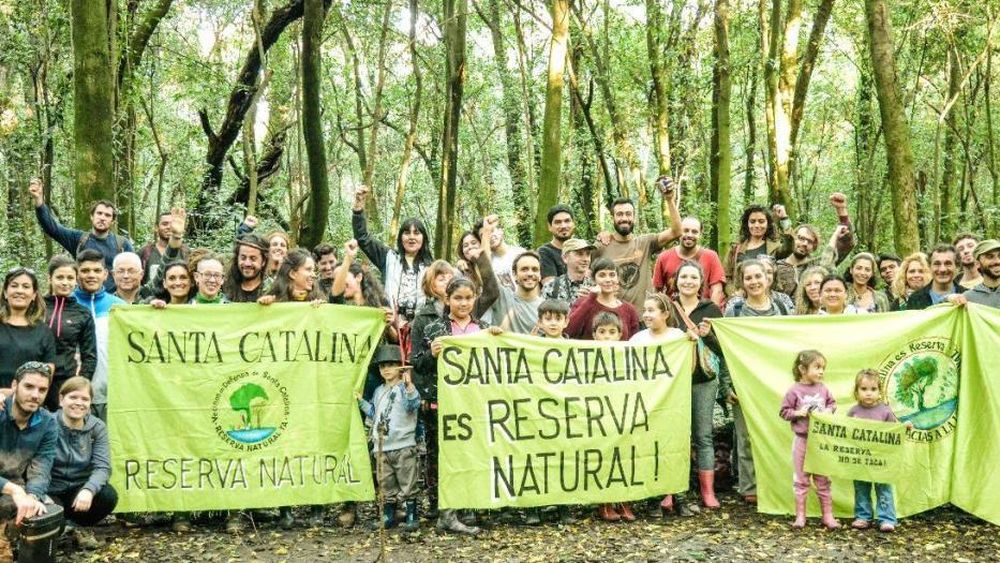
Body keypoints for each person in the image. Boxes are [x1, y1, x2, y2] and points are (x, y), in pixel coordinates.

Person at [415, 278, 503, 535]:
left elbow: (496, 365)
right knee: (442, 456)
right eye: (458, 298)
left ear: (475, 298)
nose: (463, 303)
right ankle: (445, 509)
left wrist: (498, 338)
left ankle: (470, 505)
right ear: (447, 300)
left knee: (473, 453)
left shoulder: (483, 328)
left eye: (468, 298)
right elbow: (417, 364)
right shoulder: (433, 328)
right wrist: (431, 354)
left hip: (475, 403)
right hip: (443, 403)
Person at [723, 259, 793, 505]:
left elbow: (793, 343)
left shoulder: (782, 307)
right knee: (746, 436)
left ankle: (778, 483)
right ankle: (750, 486)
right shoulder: (735, 310)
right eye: (748, 278)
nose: (754, 282)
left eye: (758, 276)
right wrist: (727, 385)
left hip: (778, 381)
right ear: (742, 282)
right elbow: (726, 349)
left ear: (767, 278)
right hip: (744, 382)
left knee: (780, 432)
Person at [669, 261, 731, 510]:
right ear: (676, 281)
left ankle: (708, 491)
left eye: (693, 277)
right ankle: (672, 489)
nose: (688, 281)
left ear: (701, 282)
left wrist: (709, 336)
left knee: (703, 435)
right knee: (674, 435)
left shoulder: (711, 309)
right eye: (683, 276)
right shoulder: (667, 308)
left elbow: (724, 349)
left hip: (703, 379)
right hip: (673, 381)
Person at [630, 293, 688, 519]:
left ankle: (679, 496)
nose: (646, 314)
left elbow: (688, 368)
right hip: (647, 404)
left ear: (665, 314)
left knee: (675, 448)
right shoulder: (637, 340)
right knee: (651, 449)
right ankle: (653, 499)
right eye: (644, 310)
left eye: (651, 310)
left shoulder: (677, 337)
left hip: (673, 403)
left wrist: (692, 344)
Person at [593, 176, 682, 312]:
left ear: (634, 217)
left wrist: (669, 200)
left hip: (644, 316)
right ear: (612, 218)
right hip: (613, 317)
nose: (624, 218)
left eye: (628, 214)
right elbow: (586, 272)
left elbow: (677, 231)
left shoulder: (646, 243)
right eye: (619, 214)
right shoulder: (602, 246)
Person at [29, 179, 133, 292]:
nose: (102, 218)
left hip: (112, 298)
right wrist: (39, 200)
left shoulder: (122, 244)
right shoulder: (79, 239)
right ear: (92, 217)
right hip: (82, 297)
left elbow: (134, 272)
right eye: (99, 213)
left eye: (107, 215)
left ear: (112, 221)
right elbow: (52, 228)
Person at [358, 346, 421, 531]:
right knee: (386, 483)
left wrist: (409, 385)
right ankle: (388, 515)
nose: (386, 369)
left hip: (403, 446)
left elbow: (413, 404)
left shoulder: (405, 388)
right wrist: (361, 402)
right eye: (383, 366)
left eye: (391, 365)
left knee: (407, 482)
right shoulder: (379, 391)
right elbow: (374, 412)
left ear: (400, 367)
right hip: (382, 447)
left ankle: (412, 515)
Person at [49, 377, 117, 549]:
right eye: (73, 397)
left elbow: (103, 467)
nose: (79, 403)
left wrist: (89, 490)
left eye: (85, 399)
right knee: (51, 521)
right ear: (61, 399)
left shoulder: (97, 427)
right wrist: (41, 494)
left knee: (108, 495)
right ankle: (62, 529)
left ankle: (79, 527)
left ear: (90, 403)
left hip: (78, 490)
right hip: (50, 489)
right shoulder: (47, 423)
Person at [0, 362, 58, 559]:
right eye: (29, 387)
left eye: (42, 390)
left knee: (46, 518)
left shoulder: (48, 423)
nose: (35, 395)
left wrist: (33, 496)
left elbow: (41, 467)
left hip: (15, 488)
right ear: (14, 385)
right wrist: (14, 490)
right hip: (9, 487)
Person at [352, 186, 434, 323]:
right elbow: (363, 238)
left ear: (423, 238)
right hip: (390, 324)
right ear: (401, 238)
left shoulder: (431, 266)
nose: (411, 237)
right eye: (407, 233)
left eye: (416, 233)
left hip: (421, 327)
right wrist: (358, 207)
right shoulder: (388, 257)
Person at [779, 350, 839, 529]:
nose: (821, 372)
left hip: (820, 442)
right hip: (802, 441)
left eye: (823, 368)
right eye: (817, 367)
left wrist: (828, 411)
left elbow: (832, 404)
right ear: (802, 369)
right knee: (801, 479)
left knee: (823, 479)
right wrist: (798, 413)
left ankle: (827, 516)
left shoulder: (823, 389)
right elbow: (784, 412)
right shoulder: (794, 390)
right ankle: (800, 517)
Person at [72, 250, 126, 421]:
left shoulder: (120, 306)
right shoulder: (66, 304)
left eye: (96, 270)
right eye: (85, 270)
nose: (91, 275)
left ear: (105, 274)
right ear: (77, 274)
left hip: (114, 395)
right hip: (74, 394)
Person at [772, 193, 855, 297]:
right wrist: (782, 218)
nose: (805, 243)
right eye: (801, 238)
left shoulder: (817, 266)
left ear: (814, 247)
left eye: (810, 242)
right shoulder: (776, 266)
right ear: (794, 238)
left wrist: (841, 210)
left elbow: (846, 244)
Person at [847, 369, 900, 533]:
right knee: (861, 488)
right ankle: (863, 517)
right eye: (864, 389)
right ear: (857, 391)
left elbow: (894, 431)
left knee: (883, 489)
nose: (868, 393)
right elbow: (845, 432)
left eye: (873, 389)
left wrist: (904, 428)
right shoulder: (853, 412)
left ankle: (887, 519)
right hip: (860, 459)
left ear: (879, 391)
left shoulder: (885, 411)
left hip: (880, 459)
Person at [43, 256, 97, 411]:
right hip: (33, 379)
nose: (65, 282)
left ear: (76, 280)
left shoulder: (82, 313)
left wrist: (79, 386)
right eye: (60, 277)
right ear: (50, 278)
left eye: (70, 278)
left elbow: (90, 356)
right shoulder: (36, 306)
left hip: (66, 381)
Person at [1, 267, 57, 393]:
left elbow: (47, 372)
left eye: (26, 287)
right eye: (14, 286)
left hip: (28, 399)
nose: (19, 290)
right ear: (5, 292)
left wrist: (16, 394)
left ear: (34, 295)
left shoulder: (44, 332)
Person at [652, 217, 726, 307]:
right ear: (679, 231)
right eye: (685, 230)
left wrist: (712, 312)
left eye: (694, 232)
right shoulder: (664, 257)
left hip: (703, 310)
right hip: (674, 311)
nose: (689, 235)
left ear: (700, 234)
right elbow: (657, 291)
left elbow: (717, 290)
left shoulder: (711, 257)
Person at [723, 204, 793, 296]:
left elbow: (790, 247)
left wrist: (784, 218)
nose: (756, 225)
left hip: (768, 298)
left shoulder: (775, 248)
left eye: (761, 221)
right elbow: (726, 276)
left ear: (768, 224)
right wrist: (734, 293)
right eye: (752, 221)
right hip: (742, 300)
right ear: (747, 224)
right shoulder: (735, 249)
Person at [565, 258, 640, 340]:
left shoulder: (629, 309)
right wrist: (590, 299)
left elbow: (635, 341)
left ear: (618, 279)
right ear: (594, 279)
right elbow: (568, 331)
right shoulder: (583, 303)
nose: (608, 280)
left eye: (612, 275)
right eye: (602, 275)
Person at [487, 251, 545, 334]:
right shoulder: (501, 297)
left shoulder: (546, 309)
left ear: (540, 275)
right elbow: (486, 269)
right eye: (524, 269)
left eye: (535, 270)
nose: (530, 273)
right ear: (514, 275)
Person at [474, 216, 526, 293]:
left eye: (492, 231)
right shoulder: (486, 263)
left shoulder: (520, 253)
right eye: (484, 235)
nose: (490, 236)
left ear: (501, 231)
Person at [138, 210, 190, 284]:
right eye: (165, 224)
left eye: (172, 224)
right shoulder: (144, 252)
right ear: (156, 228)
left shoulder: (185, 252)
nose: (169, 227)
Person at [906, 245, 961, 310]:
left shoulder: (966, 295)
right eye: (937, 264)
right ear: (929, 267)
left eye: (948, 263)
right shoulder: (915, 299)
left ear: (957, 267)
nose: (942, 269)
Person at [540, 238, 594, 305]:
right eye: (580, 254)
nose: (585, 259)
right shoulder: (552, 287)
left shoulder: (596, 286)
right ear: (565, 258)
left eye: (588, 254)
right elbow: (543, 311)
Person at [222, 233, 270, 303]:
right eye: (243, 258)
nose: (247, 263)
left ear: (263, 261)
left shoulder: (271, 289)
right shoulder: (224, 287)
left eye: (253, 259)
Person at [538, 204, 576, 285]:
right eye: (558, 222)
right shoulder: (544, 252)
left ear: (573, 223)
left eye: (567, 221)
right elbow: (550, 285)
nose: (563, 226)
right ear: (550, 227)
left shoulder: (584, 248)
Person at [962, 240, 1000, 308]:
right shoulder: (968, 298)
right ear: (977, 264)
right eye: (990, 257)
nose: (997, 261)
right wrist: (948, 297)